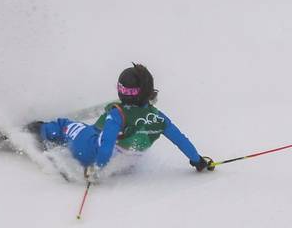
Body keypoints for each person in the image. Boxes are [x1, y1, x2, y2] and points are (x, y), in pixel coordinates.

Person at [26, 63, 214, 180]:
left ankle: (37, 131)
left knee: (65, 125)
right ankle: (56, 143)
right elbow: (180, 140)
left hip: (90, 154)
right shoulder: (159, 119)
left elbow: (106, 145)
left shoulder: (117, 114)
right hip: (124, 164)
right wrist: (198, 161)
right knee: (98, 135)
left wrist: (96, 169)